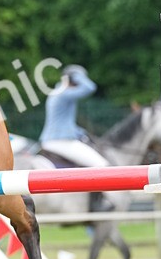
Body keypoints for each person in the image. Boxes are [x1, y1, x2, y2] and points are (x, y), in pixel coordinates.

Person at [40, 64, 113, 212]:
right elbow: (90, 87)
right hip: (61, 142)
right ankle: (98, 204)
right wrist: (76, 76)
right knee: (101, 164)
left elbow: (63, 122)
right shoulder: (64, 93)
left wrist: (80, 132)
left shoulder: (57, 92)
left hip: (54, 140)